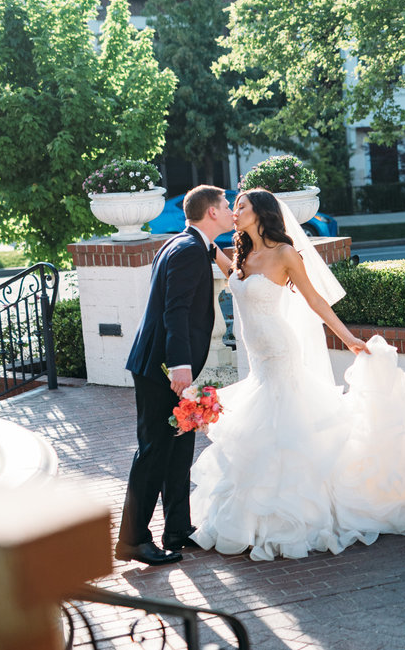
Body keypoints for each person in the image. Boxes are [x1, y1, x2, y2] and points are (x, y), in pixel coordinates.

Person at [189, 188, 405, 561]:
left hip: (281, 352)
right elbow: (234, 276)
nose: (235, 212)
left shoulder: (284, 253)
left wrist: (347, 338)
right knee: (262, 429)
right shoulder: (243, 254)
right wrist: (207, 245)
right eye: (233, 207)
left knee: (283, 428)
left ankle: (295, 515)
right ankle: (258, 514)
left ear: (262, 212)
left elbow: (314, 299)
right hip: (258, 359)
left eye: (242, 206)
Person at [116, 185, 234, 566]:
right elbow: (175, 310)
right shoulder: (186, 250)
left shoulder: (185, 244)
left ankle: (177, 530)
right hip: (162, 368)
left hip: (171, 366)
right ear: (212, 213)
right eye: (227, 205)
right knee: (153, 452)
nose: (231, 210)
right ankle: (133, 539)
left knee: (179, 447)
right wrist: (181, 364)